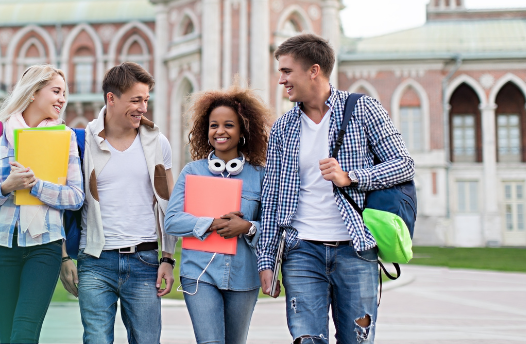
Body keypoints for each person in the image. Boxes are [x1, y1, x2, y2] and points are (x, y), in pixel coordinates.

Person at [257, 34, 415, 344]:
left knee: (357, 339)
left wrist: (350, 177)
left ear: (313, 71)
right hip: (301, 251)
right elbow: (271, 197)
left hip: (355, 249)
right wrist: (267, 260)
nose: (281, 80)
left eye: (287, 71)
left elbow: (404, 164)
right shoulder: (283, 128)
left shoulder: (363, 109)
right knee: (307, 339)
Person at [59, 62, 177, 344]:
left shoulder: (158, 143)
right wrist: (63, 256)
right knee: (97, 340)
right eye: (135, 100)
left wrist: (168, 258)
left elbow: (169, 205)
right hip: (95, 262)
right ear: (111, 98)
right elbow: (61, 204)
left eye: (146, 100)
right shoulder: (81, 142)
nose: (143, 108)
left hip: (145, 261)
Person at [0, 64, 84, 344]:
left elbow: (76, 196)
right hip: (1, 246)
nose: (62, 99)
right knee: (8, 336)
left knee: (24, 333)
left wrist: (36, 186)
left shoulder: (65, 137)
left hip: (44, 247)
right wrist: (6, 187)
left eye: (64, 93)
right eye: (56, 91)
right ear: (33, 92)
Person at [164, 85, 271, 344]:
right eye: (214, 125)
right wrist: (211, 223)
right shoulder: (192, 172)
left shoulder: (260, 175)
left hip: (243, 276)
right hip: (199, 274)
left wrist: (247, 227)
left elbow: (272, 226)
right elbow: (172, 221)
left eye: (228, 125)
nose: (220, 131)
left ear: (243, 131)